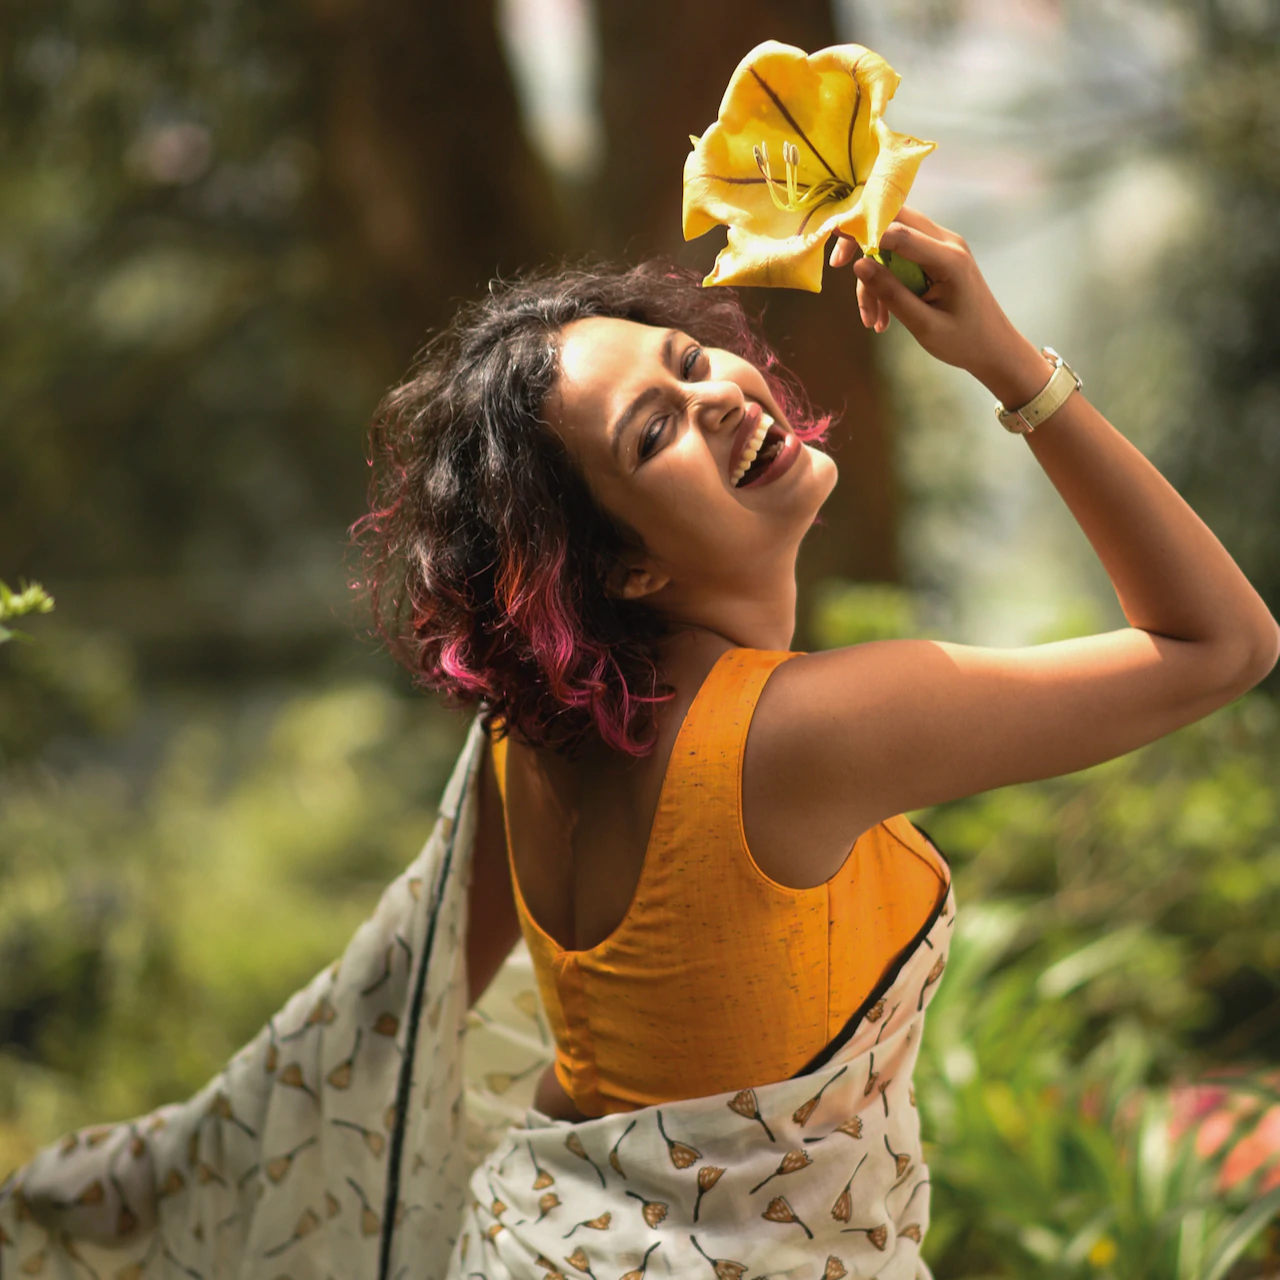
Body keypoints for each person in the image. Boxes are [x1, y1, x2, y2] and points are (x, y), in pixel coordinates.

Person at [2, 210, 1276, 1280]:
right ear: (618, 560)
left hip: (536, 1240)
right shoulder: (802, 733)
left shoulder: (536, 734)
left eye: (688, 360)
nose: (720, 396)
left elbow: (401, 1016)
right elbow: (1221, 643)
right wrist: (1010, 364)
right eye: (653, 431)